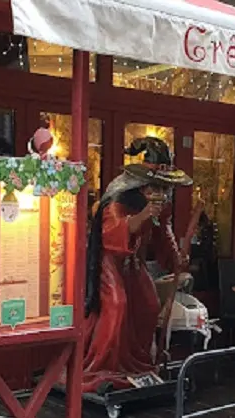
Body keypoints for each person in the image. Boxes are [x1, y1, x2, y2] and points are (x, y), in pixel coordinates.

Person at [81, 137, 193, 394]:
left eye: (163, 187)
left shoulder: (161, 204)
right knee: (117, 306)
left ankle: (138, 363)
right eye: (155, 185)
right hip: (108, 262)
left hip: (134, 263)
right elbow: (113, 233)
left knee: (149, 304)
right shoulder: (119, 198)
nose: (160, 191)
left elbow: (164, 234)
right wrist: (144, 215)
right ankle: (102, 365)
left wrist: (176, 259)